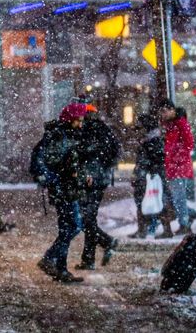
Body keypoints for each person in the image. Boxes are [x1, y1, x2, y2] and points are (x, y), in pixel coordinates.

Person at [32, 102, 88, 284]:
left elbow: (68, 162)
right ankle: (50, 258)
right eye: (78, 120)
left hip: (65, 187)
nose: (81, 124)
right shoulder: (60, 136)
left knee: (67, 227)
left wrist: (80, 175)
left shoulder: (64, 134)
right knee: (74, 226)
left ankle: (60, 268)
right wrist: (59, 178)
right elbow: (58, 163)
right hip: (64, 189)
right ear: (70, 119)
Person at [76, 103, 119, 270]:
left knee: (84, 219)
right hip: (100, 180)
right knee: (88, 218)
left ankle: (106, 243)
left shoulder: (88, 132)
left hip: (91, 181)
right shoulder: (105, 130)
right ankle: (89, 259)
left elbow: (84, 153)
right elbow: (114, 154)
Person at [130, 111, 172, 238]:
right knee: (153, 201)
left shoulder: (153, 140)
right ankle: (146, 228)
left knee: (153, 201)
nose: (137, 131)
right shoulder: (151, 139)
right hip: (149, 175)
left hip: (150, 176)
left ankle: (148, 229)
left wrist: (145, 171)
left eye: (140, 127)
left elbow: (156, 159)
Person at [162, 103, 196, 234]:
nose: (163, 114)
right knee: (176, 199)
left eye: (165, 111)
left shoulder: (180, 125)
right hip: (174, 168)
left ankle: (185, 223)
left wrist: (174, 154)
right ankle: (188, 216)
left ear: (172, 110)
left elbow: (189, 144)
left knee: (178, 199)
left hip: (179, 168)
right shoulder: (171, 126)